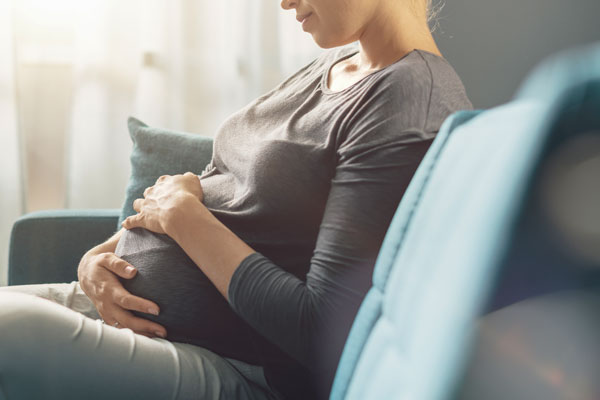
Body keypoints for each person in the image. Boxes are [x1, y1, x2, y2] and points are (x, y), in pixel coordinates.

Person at [0, 0, 472, 399]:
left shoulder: (407, 99)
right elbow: (215, 185)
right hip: (116, 307)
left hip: (233, 365)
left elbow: (323, 330)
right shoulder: (335, 64)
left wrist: (184, 218)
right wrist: (96, 261)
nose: (284, 2)